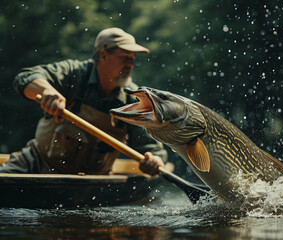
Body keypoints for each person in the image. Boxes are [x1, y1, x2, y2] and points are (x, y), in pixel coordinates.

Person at [0, 27, 166, 176]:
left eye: (132, 59)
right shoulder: (73, 74)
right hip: (35, 164)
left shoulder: (132, 99)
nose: (130, 64)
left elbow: (153, 149)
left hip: (93, 184)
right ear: (103, 55)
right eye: (124, 58)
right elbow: (24, 78)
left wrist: (155, 160)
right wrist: (47, 91)